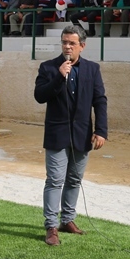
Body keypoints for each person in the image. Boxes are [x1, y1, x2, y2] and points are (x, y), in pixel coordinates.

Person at [34, 25, 107, 246]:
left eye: (72, 43)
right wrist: (58, 77)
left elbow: (100, 100)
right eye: (64, 42)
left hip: (82, 134)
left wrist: (101, 130)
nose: (67, 46)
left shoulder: (92, 69)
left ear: (82, 46)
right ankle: (51, 227)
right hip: (57, 134)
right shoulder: (48, 68)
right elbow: (39, 96)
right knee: (55, 180)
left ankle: (67, 220)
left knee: (74, 179)